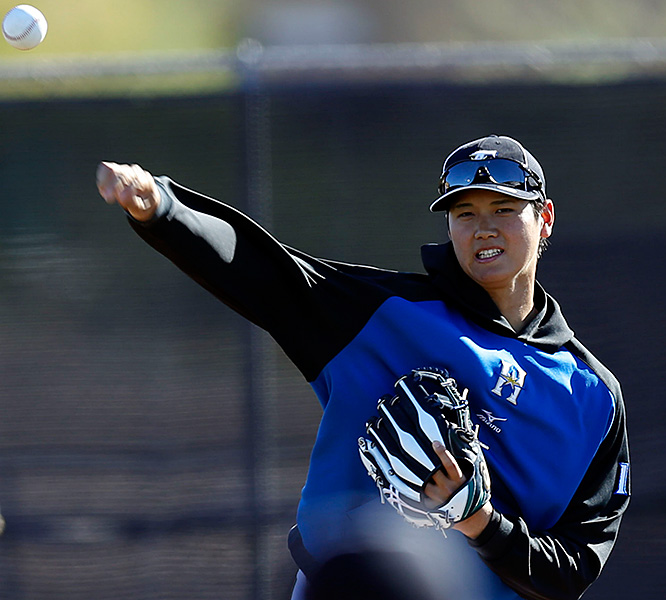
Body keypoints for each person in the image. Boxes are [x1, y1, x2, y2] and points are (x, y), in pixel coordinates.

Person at [96, 134, 631, 600]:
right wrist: (163, 209)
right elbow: (269, 275)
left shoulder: (593, 397)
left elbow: (573, 571)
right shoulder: (382, 315)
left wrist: (482, 524)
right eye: (465, 214)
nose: (483, 228)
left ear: (545, 218)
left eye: (503, 209)